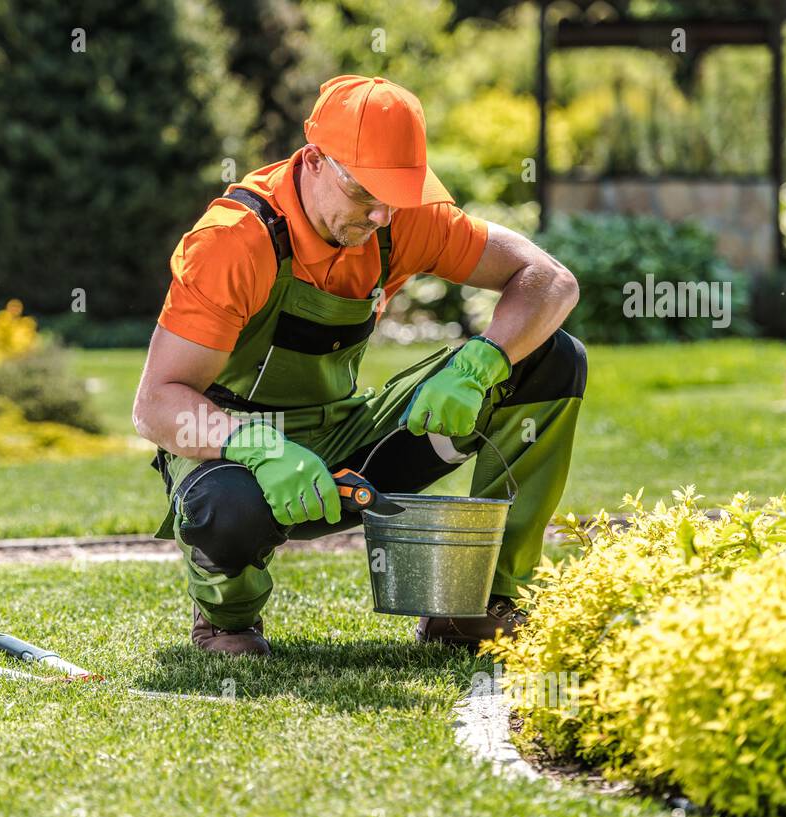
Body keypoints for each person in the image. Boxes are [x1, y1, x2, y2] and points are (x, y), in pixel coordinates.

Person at [132, 75, 585, 657]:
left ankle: (480, 607)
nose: (380, 215)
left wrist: (482, 362)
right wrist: (261, 448)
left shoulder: (400, 218)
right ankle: (228, 621)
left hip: (350, 440)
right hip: (236, 456)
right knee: (225, 510)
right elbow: (157, 403)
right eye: (365, 193)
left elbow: (551, 281)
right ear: (315, 159)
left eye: (394, 196)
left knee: (553, 357)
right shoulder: (234, 242)